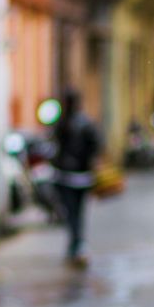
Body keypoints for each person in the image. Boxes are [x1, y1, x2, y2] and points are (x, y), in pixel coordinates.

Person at [50, 89, 102, 267]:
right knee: (77, 213)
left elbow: (55, 147)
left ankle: (76, 244)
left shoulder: (62, 123)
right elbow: (95, 147)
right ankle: (77, 244)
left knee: (72, 213)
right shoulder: (85, 123)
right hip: (81, 178)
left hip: (67, 177)